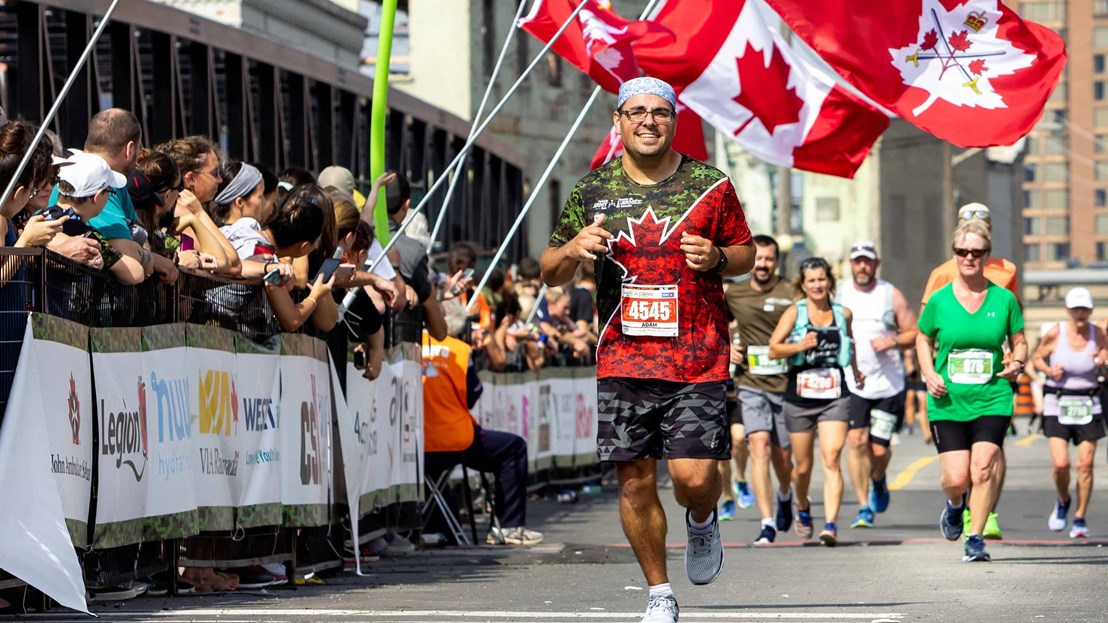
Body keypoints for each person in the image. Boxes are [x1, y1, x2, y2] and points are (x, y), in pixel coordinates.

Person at [540, 76, 754, 623]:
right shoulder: (592, 191)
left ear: (674, 120)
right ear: (618, 121)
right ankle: (659, 593)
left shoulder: (711, 185)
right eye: (636, 112)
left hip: (696, 355)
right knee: (634, 479)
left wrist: (719, 257)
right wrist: (572, 247)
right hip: (622, 357)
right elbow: (549, 271)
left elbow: (747, 253)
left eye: (660, 112)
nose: (648, 121)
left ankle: (702, 521)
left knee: (693, 479)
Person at [917, 221, 1026, 563]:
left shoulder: (1004, 299)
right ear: (954, 255)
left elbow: (1020, 341)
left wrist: (1018, 363)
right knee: (956, 477)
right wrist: (929, 371)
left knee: (982, 468)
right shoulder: (940, 300)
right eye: (962, 252)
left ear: (986, 256)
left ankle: (975, 538)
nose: (969, 258)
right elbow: (922, 338)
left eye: (976, 252)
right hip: (947, 399)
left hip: (992, 396)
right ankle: (954, 505)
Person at [769, 257, 863, 547]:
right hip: (800, 396)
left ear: (829, 281)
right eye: (811, 281)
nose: (817, 285)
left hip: (834, 394)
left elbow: (851, 341)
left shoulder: (842, 313)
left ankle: (831, 524)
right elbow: (774, 349)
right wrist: (800, 345)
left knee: (832, 458)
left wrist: (857, 371)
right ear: (803, 284)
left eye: (821, 279)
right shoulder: (794, 313)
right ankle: (804, 506)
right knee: (803, 466)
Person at [422, 322, 544, 546]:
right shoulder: (459, 349)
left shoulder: (409, 346)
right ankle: (508, 527)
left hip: (413, 445)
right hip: (454, 441)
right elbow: (472, 396)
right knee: (514, 448)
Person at [47, 109, 178, 284]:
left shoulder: (70, 173)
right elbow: (130, 259)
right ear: (130, 149)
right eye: (139, 148)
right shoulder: (92, 233)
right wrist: (149, 259)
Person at [722, 235, 796, 543]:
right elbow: (715, 325)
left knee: (783, 456)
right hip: (750, 384)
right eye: (759, 259)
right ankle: (767, 523)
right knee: (759, 447)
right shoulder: (735, 294)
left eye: (769, 259)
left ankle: (785, 492)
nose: (763, 264)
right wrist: (727, 348)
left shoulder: (791, 291)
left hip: (787, 384)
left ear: (776, 262)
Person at [838, 241, 917, 528]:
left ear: (876, 264)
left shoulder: (889, 294)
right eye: (857, 261)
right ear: (850, 263)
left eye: (867, 261)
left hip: (888, 384)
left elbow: (913, 331)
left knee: (880, 450)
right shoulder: (840, 292)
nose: (862, 266)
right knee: (856, 441)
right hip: (853, 382)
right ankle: (862, 506)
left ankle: (878, 478)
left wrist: (892, 341)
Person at [1030, 287, 1107, 539]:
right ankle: (1063, 501)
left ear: (1091, 310)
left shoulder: (1100, 334)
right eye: (1076, 309)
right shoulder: (1056, 333)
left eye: (1084, 309)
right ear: (1068, 310)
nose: (1080, 314)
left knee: (1086, 464)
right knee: (1061, 464)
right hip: (1058, 402)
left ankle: (1080, 517)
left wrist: (1103, 358)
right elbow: (1036, 359)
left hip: (1088, 402)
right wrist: (1049, 371)